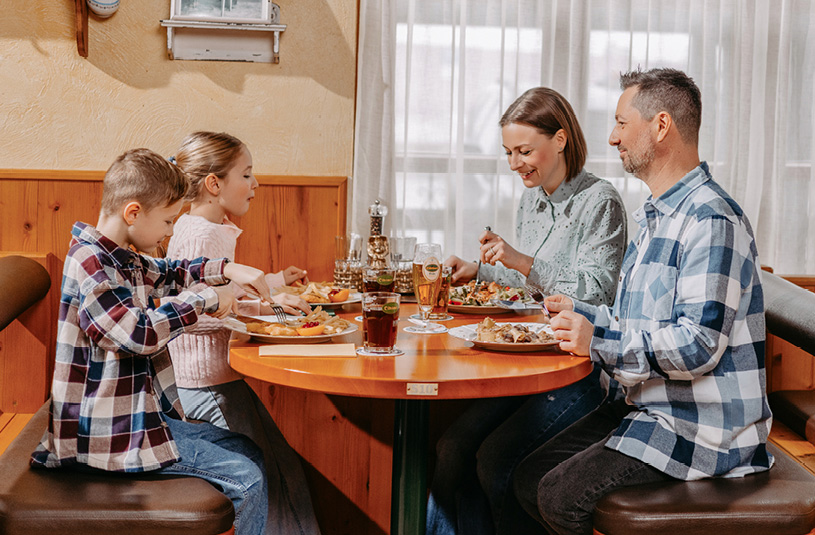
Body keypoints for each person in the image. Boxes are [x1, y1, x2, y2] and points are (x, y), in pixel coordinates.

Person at [512, 68, 773, 535]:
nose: (612, 137)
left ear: (661, 125)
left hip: (702, 430)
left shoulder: (711, 220)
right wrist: (576, 312)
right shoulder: (656, 216)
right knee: (528, 478)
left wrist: (596, 341)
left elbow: (699, 345)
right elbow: (631, 319)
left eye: (621, 123)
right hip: (648, 407)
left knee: (557, 497)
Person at [30, 148, 278, 535]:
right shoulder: (92, 265)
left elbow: (169, 272)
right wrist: (206, 298)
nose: (170, 231)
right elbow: (137, 333)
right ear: (133, 213)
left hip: (134, 420)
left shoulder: (119, 257)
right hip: (104, 437)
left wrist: (227, 269)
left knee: (248, 450)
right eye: (166, 220)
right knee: (248, 478)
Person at [428, 88, 627, 535]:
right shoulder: (532, 200)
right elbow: (533, 289)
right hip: (530, 359)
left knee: (494, 460)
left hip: (579, 370)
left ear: (560, 139)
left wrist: (520, 260)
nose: (514, 163)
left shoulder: (601, 201)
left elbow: (598, 294)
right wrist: (480, 270)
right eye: (508, 153)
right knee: (452, 445)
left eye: (524, 151)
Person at [166, 131, 322, 535]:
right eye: (247, 174)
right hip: (205, 384)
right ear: (214, 184)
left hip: (218, 377)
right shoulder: (200, 234)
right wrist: (267, 309)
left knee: (282, 467)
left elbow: (224, 293)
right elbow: (191, 314)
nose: (256, 183)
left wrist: (274, 284)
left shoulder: (210, 227)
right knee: (271, 475)